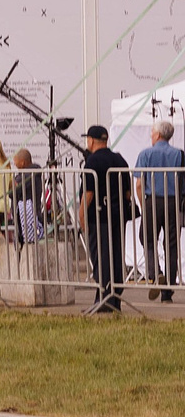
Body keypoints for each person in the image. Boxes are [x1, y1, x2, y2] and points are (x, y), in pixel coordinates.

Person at [76, 123, 131, 314]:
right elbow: (127, 193)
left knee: (100, 258)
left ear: (91, 140)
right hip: (117, 215)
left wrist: (81, 216)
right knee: (116, 256)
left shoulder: (92, 162)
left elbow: (88, 193)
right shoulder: (120, 160)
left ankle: (103, 298)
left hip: (98, 217)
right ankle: (115, 299)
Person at [136, 119, 183, 305]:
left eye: (152, 133)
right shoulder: (179, 154)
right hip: (172, 202)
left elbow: (139, 183)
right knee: (171, 244)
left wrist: (142, 203)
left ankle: (155, 273)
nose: (150, 136)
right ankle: (168, 291)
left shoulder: (145, 154)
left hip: (152, 200)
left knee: (147, 238)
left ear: (157, 135)